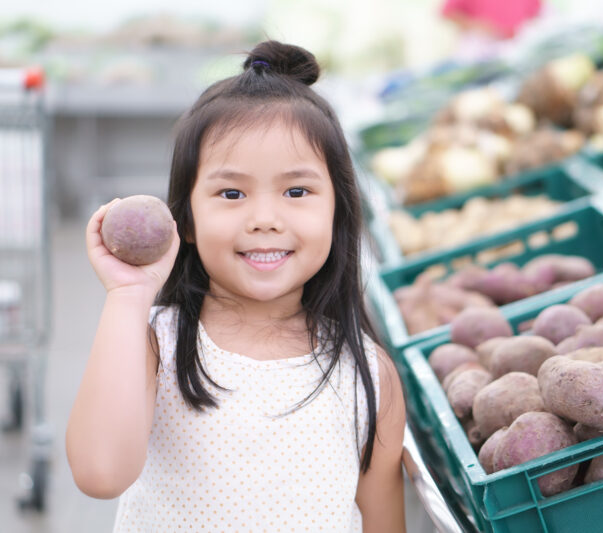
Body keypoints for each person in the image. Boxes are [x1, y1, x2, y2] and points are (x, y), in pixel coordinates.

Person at [65, 40, 407, 532]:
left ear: (339, 209)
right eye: (231, 193)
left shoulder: (368, 375)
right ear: (185, 217)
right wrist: (127, 295)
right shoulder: (158, 343)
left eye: (296, 191)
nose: (264, 219)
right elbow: (99, 472)